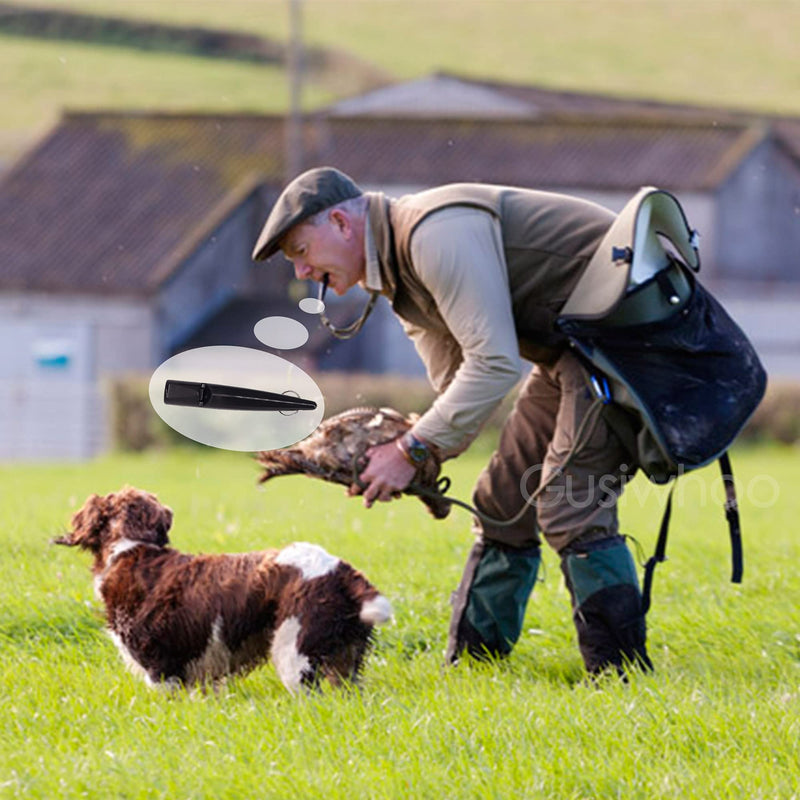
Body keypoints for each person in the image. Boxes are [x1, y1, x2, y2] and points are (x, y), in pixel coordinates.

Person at [252, 166, 653, 676]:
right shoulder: (398, 281)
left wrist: (410, 452)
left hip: (628, 338)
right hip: (573, 352)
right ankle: (475, 669)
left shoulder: (432, 235)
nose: (301, 274)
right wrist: (406, 462)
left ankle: (623, 677)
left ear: (340, 222)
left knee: (567, 504)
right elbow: (460, 395)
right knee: (503, 502)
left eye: (301, 253)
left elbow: (495, 364)